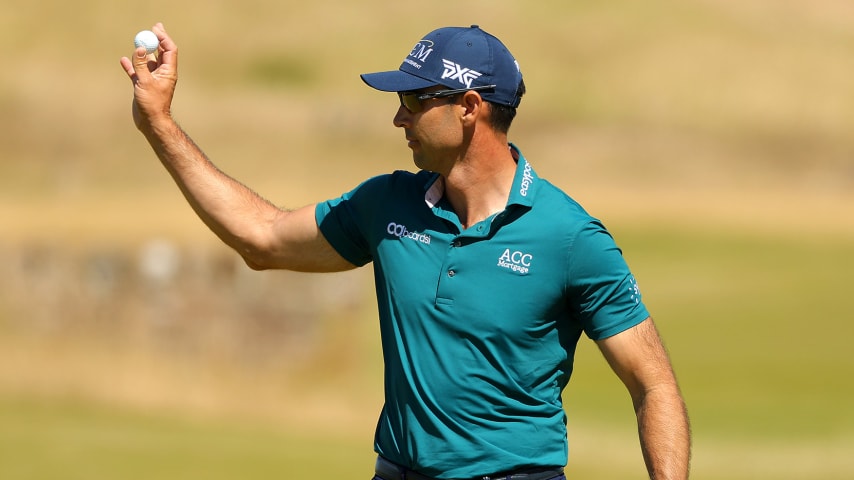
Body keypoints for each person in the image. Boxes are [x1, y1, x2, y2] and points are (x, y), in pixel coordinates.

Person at [120, 23, 691, 480]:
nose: (398, 117)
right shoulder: (387, 204)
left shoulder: (568, 237)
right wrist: (159, 124)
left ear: (469, 107)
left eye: (414, 101)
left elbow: (654, 384)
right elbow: (261, 238)